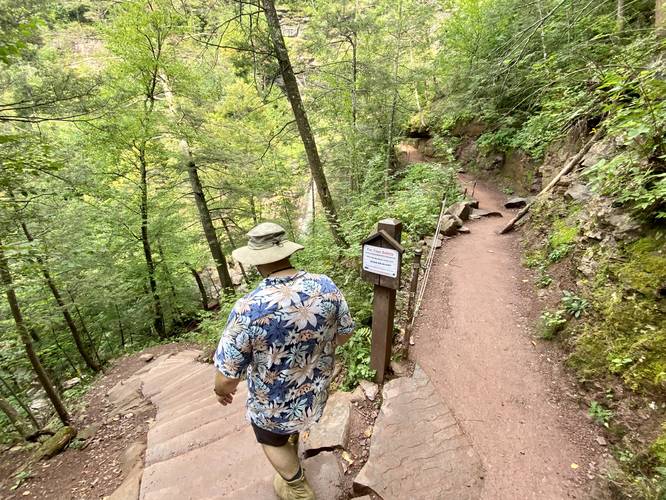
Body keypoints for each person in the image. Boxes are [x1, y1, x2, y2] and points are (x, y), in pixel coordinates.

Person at [213, 222, 354, 500]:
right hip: (315, 393)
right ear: (287, 253)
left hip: (274, 406)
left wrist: (221, 392)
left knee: (268, 437)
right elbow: (345, 333)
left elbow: (228, 376)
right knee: (288, 429)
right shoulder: (325, 285)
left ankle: (298, 488)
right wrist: (310, 353)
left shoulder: (249, 309)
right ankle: (291, 442)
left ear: (256, 262)